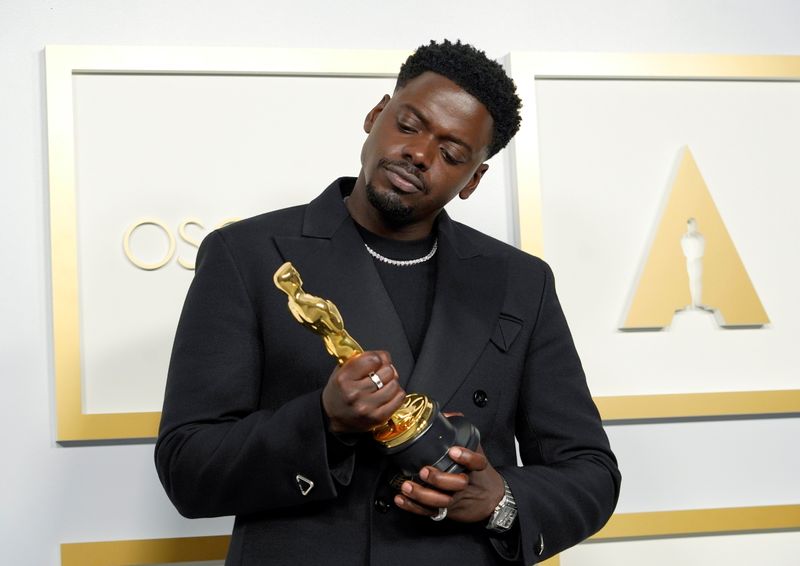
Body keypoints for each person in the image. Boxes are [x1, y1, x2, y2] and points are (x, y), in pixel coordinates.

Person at [155, 39, 620, 565]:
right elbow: (186, 467)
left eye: (451, 154)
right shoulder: (248, 256)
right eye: (407, 124)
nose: (419, 154)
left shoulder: (521, 282)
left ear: (474, 179)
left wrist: (500, 502)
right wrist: (324, 421)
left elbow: (589, 472)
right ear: (376, 114)